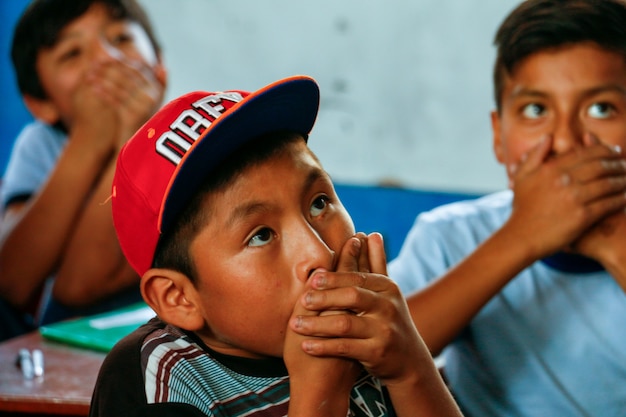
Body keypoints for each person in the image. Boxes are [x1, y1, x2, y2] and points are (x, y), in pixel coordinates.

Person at [88, 75, 463, 417]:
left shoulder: (370, 332)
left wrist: (410, 368)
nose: (318, 254)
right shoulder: (161, 377)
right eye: (261, 235)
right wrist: (320, 394)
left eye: (319, 203)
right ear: (178, 298)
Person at [389, 0, 626, 416]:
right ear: (499, 137)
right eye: (536, 110)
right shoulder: (450, 236)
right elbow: (375, 356)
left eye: (600, 108)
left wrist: (616, 250)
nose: (566, 141)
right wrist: (523, 237)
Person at [0, 0, 167, 333]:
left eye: (121, 39)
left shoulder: (182, 139)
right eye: (72, 54)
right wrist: (90, 141)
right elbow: (12, 283)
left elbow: (83, 283)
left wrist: (133, 139)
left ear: (159, 68)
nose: (106, 58)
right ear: (41, 104)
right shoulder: (41, 144)